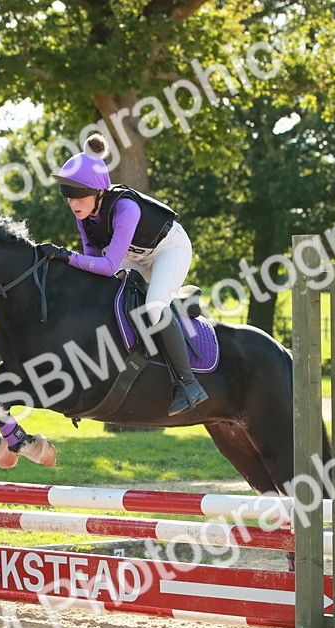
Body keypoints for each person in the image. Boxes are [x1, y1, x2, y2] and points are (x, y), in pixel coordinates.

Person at [38, 133, 209, 416]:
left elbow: (106, 265)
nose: (73, 203)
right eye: (68, 196)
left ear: (99, 192)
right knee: (109, 297)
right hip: (138, 257)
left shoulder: (125, 209)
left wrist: (66, 256)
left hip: (170, 250)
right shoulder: (85, 215)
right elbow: (94, 263)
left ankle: (188, 384)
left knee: (154, 306)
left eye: (79, 196)